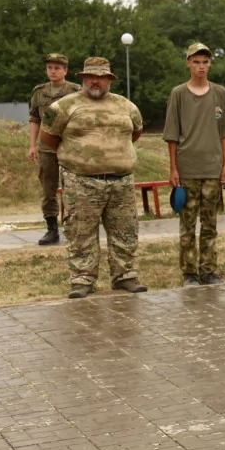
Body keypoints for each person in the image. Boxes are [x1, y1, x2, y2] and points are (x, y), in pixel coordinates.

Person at [39, 57, 148, 299]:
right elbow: (48, 137)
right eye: (91, 77)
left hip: (121, 181)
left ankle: (125, 277)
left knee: (125, 231)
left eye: (101, 77)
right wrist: (80, 156)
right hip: (81, 182)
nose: (95, 81)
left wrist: (111, 154)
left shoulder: (126, 106)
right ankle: (82, 280)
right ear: (83, 79)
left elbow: (136, 133)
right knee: (80, 232)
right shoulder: (63, 107)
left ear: (109, 79)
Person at [163, 43, 225, 286]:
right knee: (188, 223)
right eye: (196, 61)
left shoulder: (220, 93)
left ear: (209, 64)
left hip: (212, 168)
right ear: (188, 63)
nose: (201, 66)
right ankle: (189, 272)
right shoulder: (179, 94)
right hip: (187, 169)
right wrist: (173, 168)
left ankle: (209, 270)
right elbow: (171, 134)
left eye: (205, 61)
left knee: (210, 223)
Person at [28, 53, 80, 246]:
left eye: (57, 68)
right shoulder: (39, 92)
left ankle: (73, 227)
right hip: (46, 148)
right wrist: (32, 145)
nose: (53, 71)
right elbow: (34, 119)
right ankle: (52, 229)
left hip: (69, 147)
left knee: (73, 188)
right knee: (48, 188)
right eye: (50, 67)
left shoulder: (75, 91)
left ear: (65, 70)